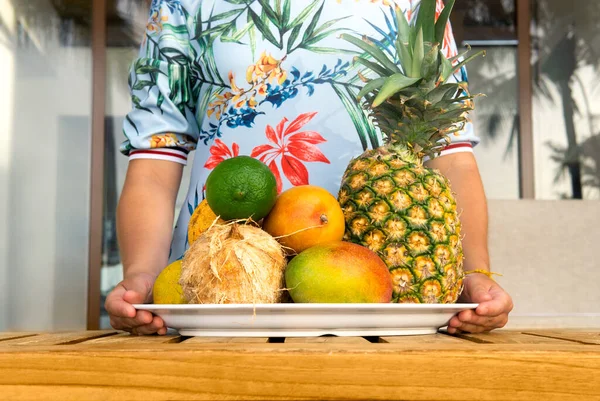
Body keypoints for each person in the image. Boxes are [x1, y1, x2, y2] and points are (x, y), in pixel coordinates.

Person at [106, 0, 513, 336]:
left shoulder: (417, 5)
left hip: (379, 295)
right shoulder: (183, 4)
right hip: (220, 286)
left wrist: (475, 274)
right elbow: (156, 157)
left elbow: (452, 155)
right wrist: (141, 274)